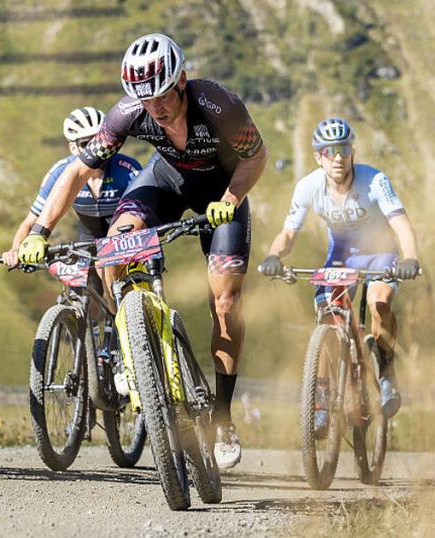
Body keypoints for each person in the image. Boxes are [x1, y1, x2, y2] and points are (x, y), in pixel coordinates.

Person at [17, 33, 269, 469]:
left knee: (225, 302)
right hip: (166, 181)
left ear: (182, 81)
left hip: (222, 192)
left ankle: (223, 418)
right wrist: (40, 230)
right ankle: (131, 338)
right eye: (144, 99)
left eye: (162, 96)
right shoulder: (127, 112)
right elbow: (79, 170)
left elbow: (256, 157)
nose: (155, 107)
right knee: (116, 242)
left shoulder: (218, 105)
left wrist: (228, 203)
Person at [258, 117, 420, 425]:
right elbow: (288, 234)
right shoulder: (307, 187)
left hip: (380, 251)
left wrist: (410, 258)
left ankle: (386, 367)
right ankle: (321, 395)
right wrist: (273, 255)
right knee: (325, 314)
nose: (338, 157)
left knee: (379, 303)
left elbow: (401, 224)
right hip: (342, 254)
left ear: (352, 152)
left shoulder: (375, 181)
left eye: (343, 149)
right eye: (329, 150)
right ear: (318, 156)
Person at [0, 106, 141, 268]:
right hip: (89, 234)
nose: (97, 149)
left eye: (100, 140)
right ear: (73, 148)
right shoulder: (60, 173)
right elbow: (31, 222)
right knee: (93, 283)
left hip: (125, 231)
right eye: (87, 143)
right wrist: (16, 250)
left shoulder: (128, 167)